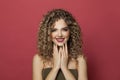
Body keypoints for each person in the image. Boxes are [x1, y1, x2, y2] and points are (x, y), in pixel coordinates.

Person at [32, 9, 88, 80]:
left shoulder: (80, 60)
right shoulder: (39, 59)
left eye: (64, 29)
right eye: (54, 30)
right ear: (48, 33)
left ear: (71, 32)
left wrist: (64, 68)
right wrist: (55, 68)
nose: (60, 34)